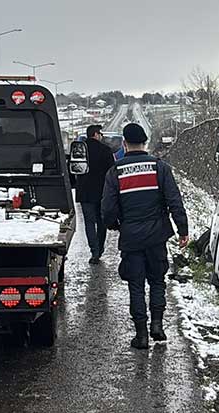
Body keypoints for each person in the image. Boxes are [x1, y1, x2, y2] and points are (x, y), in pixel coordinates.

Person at [101, 122, 189, 350]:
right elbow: (174, 201)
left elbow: (108, 210)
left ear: (124, 144)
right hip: (157, 236)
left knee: (136, 285)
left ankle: (141, 335)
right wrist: (183, 230)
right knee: (158, 280)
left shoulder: (116, 172)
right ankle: (157, 325)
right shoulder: (160, 168)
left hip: (131, 237)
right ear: (145, 143)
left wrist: (116, 225)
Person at [74, 124, 116, 264]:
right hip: (102, 192)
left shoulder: (80, 150)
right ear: (96, 134)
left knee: (89, 222)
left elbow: (73, 170)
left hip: (85, 193)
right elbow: (112, 172)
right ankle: (100, 248)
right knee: (101, 221)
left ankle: (94, 251)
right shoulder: (105, 150)